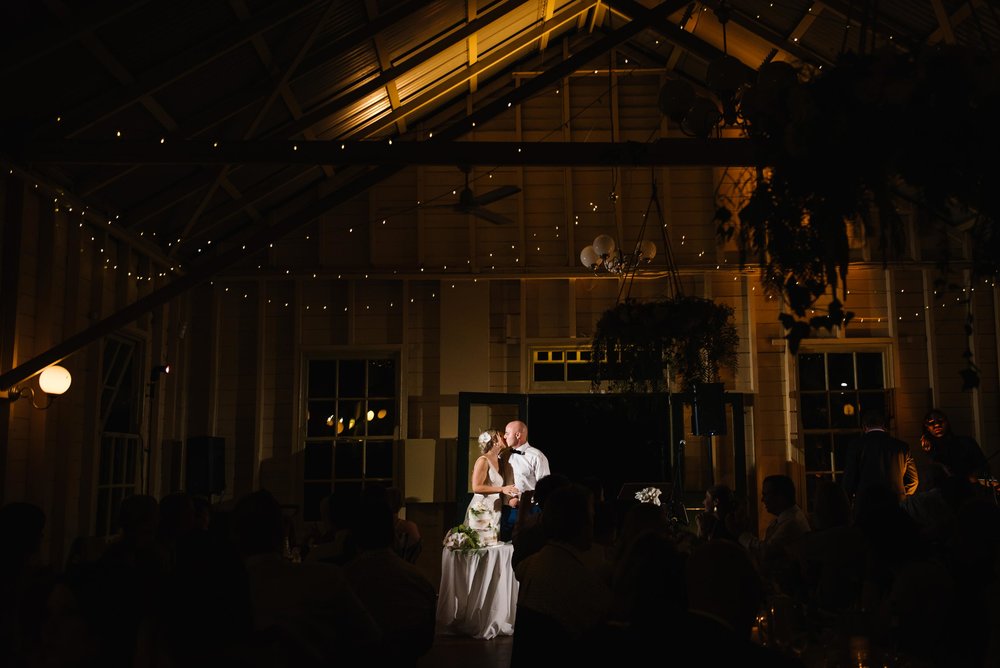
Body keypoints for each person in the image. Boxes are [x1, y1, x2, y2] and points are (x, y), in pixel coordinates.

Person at [734, 474, 811, 595]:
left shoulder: (791, 523)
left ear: (780, 496)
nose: (762, 500)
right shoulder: (786, 518)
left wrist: (740, 534)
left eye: (766, 494)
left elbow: (766, 551)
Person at [842, 408, 918, 507]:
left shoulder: (856, 446)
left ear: (864, 426)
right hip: (895, 504)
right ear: (883, 425)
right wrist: (902, 495)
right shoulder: (902, 447)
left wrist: (848, 502)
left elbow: (849, 479)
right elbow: (913, 480)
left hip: (866, 504)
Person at [501, 420, 550, 541]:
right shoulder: (504, 455)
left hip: (530, 510)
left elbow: (544, 487)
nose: (504, 436)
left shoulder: (536, 456)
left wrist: (523, 501)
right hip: (506, 510)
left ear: (518, 435)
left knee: (528, 545)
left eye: (507, 433)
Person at [466, 430, 519, 540]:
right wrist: (502, 489)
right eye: (501, 435)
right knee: (480, 541)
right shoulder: (483, 460)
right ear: (494, 441)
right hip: (482, 507)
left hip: (496, 508)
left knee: (493, 541)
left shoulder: (501, 460)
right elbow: (476, 487)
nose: (504, 437)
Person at [920, 409, 990, 483]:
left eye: (940, 420)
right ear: (927, 428)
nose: (937, 425)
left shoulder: (966, 442)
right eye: (931, 423)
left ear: (947, 422)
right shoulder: (930, 448)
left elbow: (984, 466)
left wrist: (975, 475)